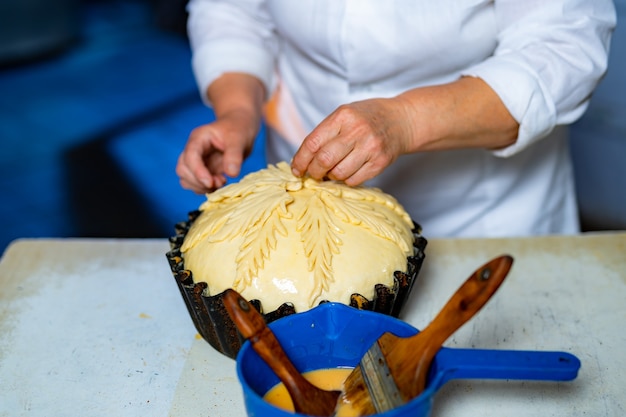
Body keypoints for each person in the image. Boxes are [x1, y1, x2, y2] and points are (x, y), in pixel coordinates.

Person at [176, 0, 616, 238]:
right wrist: (237, 111)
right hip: (306, 222)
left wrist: (405, 120)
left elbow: (564, 49)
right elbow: (232, 13)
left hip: (479, 220)